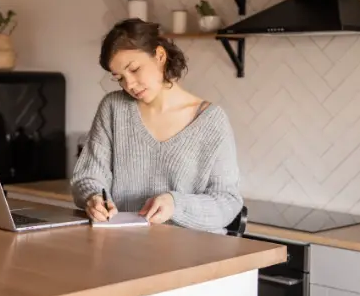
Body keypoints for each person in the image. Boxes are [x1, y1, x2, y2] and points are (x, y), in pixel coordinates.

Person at [70, 18, 243, 234]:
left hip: (194, 255)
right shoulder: (113, 108)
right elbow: (88, 176)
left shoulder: (212, 121)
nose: (129, 85)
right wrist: (93, 197)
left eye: (134, 69)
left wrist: (175, 204)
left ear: (160, 56)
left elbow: (228, 202)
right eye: (120, 78)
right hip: (123, 249)